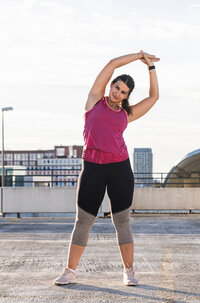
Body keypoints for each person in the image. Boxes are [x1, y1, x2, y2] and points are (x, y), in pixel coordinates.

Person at [54, 51, 159, 286]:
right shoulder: (94, 101)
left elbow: (154, 97)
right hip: (92, 167)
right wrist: (138, 56)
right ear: (111, 85)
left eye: (124, 92)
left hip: (119, 169)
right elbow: (112, 64)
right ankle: (69, 270)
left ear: (126, 96)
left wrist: (150, 68)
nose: (118, 93)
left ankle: (129, 271)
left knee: (122, 221)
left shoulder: (126, 114)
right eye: (117, 87)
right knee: (83, 221)